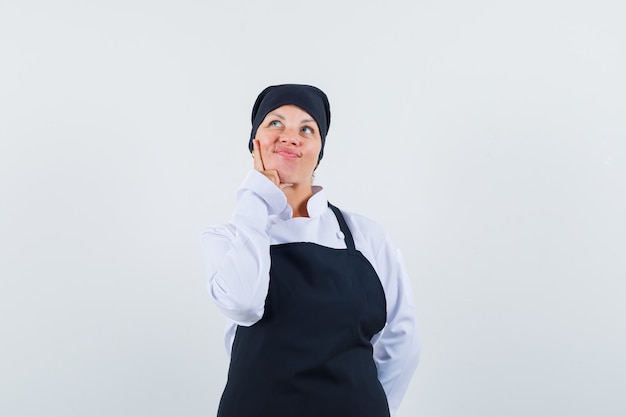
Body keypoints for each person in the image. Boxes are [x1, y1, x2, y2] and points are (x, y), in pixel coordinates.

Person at [201, 84, 420, 417]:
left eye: (307, 128)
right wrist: (256, 196)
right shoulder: (228, 237)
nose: (290, 136)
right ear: (253, 142)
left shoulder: (366, 237)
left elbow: (401, 344)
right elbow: (244, 303)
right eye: (275, 123)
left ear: (319, 151)